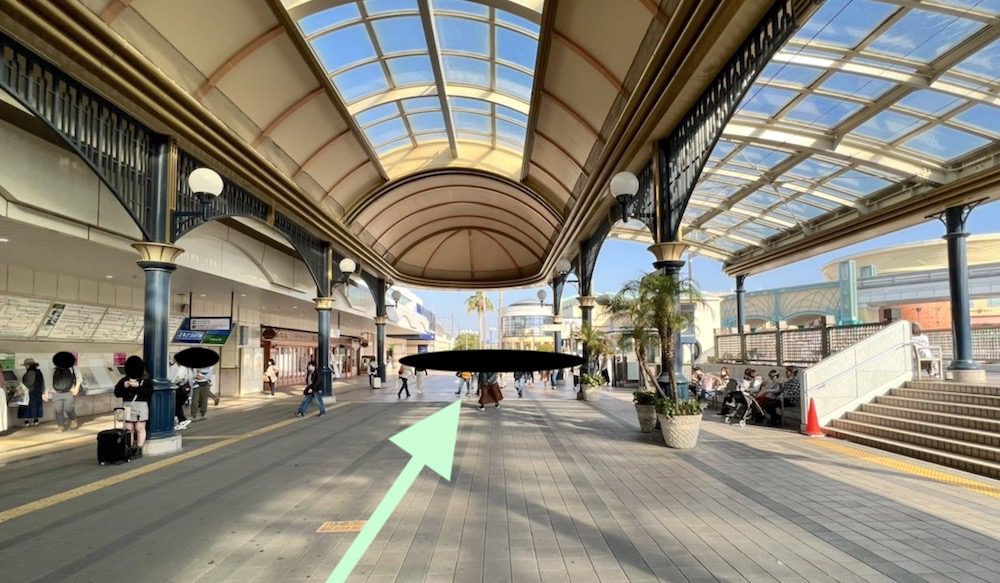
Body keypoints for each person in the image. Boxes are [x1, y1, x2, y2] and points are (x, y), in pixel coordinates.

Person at [114, 356, 153, 458]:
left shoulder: (145, 381)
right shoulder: (124, 380)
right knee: (128, 428)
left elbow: (148, 394)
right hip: (127, 406)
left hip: (140, 406)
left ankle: (139, 449)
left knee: (140, 427)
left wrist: (138, 387)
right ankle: (129, 449)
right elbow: (117, 393)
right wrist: (125, 386)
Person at [48, 356, 82, 431]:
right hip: (56, 392)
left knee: (68, 408)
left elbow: (79, 378)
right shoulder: (54, 369)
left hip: (69, 392)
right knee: (58, 410)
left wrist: (76, 388)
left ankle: (73, 419)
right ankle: (61, 426)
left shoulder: (73, 368)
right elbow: (50, 380)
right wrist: (47, 392)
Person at [18, 358, 45, 428]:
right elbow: (42, 384)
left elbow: (28, 383)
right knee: (36, 408)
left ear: (29, 365)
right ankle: (36, 421)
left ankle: (27, 422)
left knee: (27, 408)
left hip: (31, 393)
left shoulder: (30, 373)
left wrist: (21, 387)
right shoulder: (39, 372)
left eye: (26, 365)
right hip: (38, 393)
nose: (25, 367)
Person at [170, 358, 192, 431]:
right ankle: (180, 421)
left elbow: (179, 378)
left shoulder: (182, 368)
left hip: (178, 389)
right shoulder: (185, 368)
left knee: (176, 405)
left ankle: (181, 420)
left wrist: (172, 381)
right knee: (177, 405)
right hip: (182, 389)